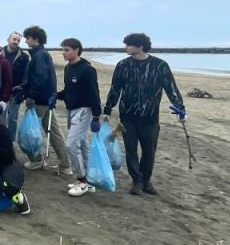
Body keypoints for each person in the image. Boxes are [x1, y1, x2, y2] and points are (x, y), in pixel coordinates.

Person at [103, 32, 185, 195]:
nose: (125, 47)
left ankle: (146, 181)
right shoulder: (123, 65)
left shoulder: (160, 65)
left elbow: (171, 88)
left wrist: (180, 108)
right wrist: (108, 109)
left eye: (128, 44)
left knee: (149, 150)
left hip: (150, 117)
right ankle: (137, 181)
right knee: (131, 150)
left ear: (140, 46)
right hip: (127, 116)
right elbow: (115, 89)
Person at [13, 25, 71, 175]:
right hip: (46, 99)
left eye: (28, 38)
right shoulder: (41, 54)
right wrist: (24, 88)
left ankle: (36, 159)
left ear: (36, 39)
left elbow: (41, 78)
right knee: (55, 132)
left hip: (40, 100)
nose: (26, 41)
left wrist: (31, 95)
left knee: (28, 132)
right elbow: (39, 78)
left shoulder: (40, 55)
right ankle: (65, 165)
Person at [57, 38, 102, 197]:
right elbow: (69, 90)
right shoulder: (69, 68)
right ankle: (88, 181)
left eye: (67, 49)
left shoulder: (87, 70)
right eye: (63, 49)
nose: (64, 52)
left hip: (84, 110)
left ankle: (81, 180)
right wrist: (56, 96)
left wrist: (96, 116)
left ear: (76, 50)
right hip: (72, 110)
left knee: (71, 144)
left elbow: (94, 92)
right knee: (83, 145)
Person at [3, 32, 29, 141]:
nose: (16, 42)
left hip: (15, 92)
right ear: (8, 39)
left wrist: (22, 89)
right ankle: (1, 140)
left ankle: (10, 142)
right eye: (14, 39)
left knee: (13, 119)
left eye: (18, 40)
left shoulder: (24, 57)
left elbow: (26, 75)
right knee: (1, 118)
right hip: (1, 92)